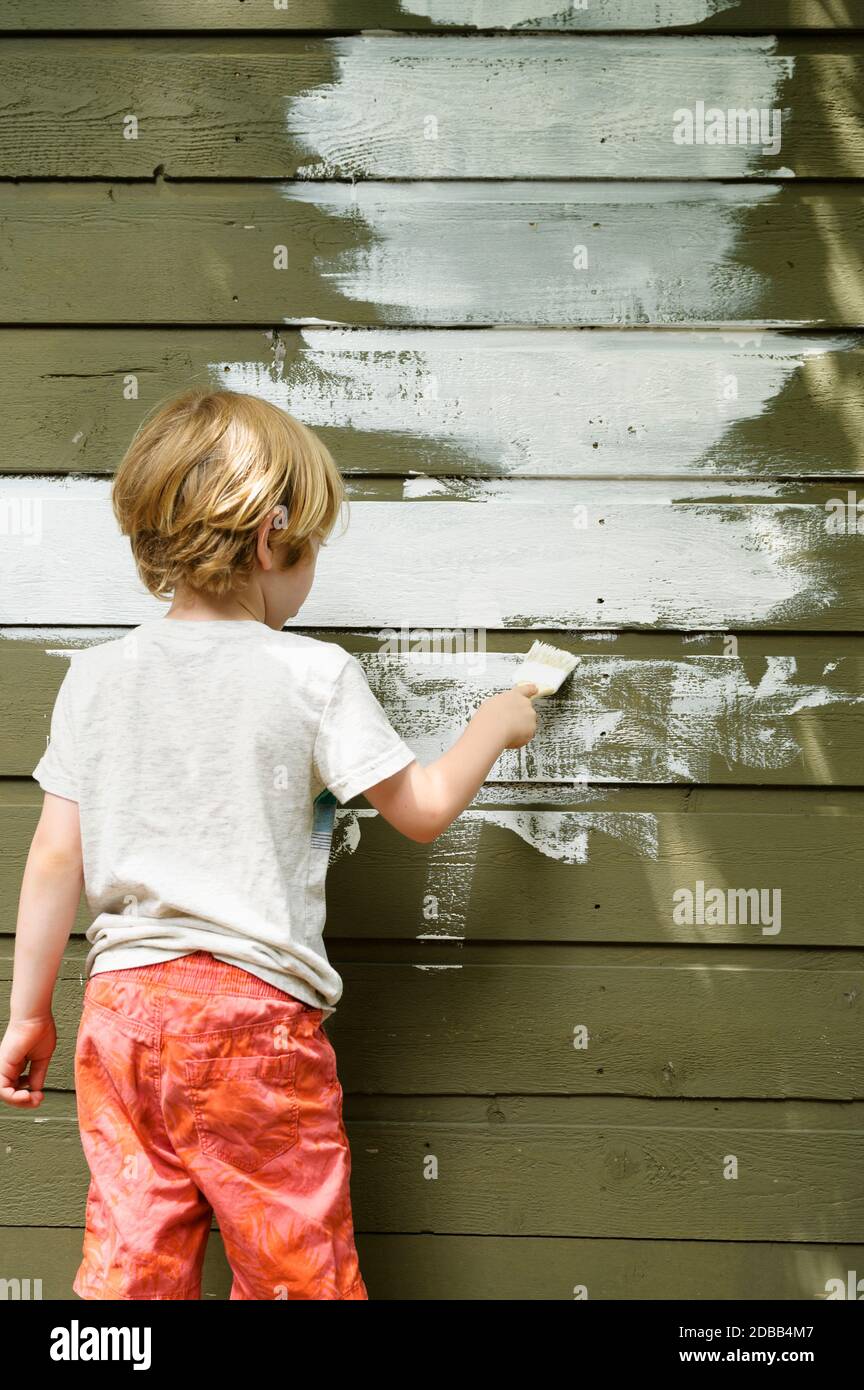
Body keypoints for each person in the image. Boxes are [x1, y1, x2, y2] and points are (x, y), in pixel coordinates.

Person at [0, 388, 539, 1300]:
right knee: (296, 1265)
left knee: (131, 1260)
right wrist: (495, 724)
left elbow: (57, 857)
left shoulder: (93, 678)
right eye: (313, 549)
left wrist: (26, 1013)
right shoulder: (313, 674)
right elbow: (421, 810)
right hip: (248, 1023)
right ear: (269, 539)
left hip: (121, 1016)